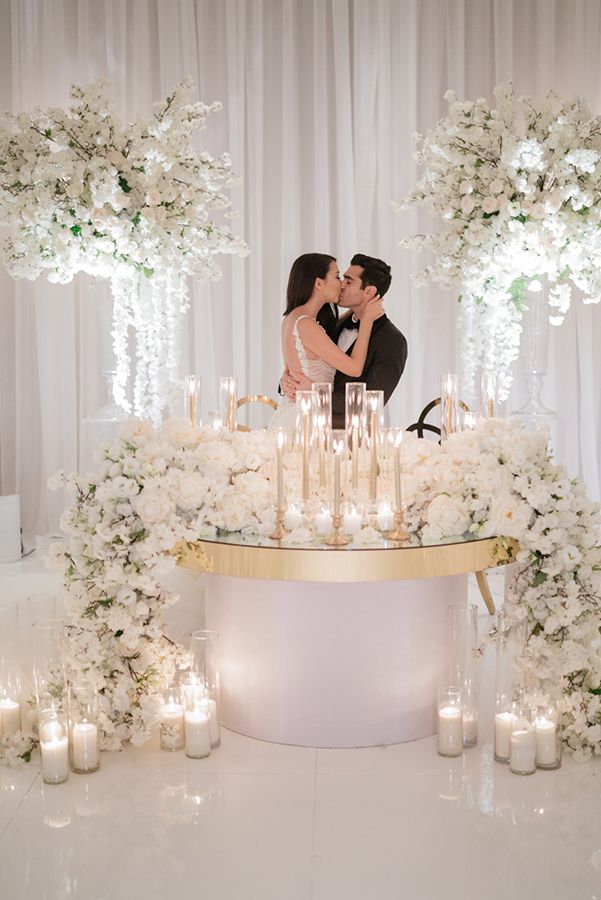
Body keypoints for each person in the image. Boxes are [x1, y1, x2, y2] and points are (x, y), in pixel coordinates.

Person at [281, 254, 408, 427]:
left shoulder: (392, 341)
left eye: (348, 281)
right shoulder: (331, 324)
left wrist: (315, 393)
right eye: (339, 278)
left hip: (349, 436)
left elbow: (370, 401)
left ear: (369, 292)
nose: (341, 285)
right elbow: (303, 363)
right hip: (306, 422)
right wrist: (286, 381)